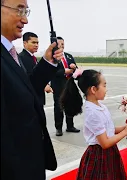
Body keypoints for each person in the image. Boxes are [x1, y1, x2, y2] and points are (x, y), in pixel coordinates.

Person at [1, 0, 64, 179]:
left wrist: (47, 62)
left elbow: (24, 89)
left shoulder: (10, 52)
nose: (25, 20)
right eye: (19, 11)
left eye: (26, 12)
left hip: (29, 159)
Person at [60, 69, 127, 180]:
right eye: (104, 85)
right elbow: (105, 143)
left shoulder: (100, 106)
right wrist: (126, 132)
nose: (106, 89)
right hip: (99, 156)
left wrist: (125, 128)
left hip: (109, 152)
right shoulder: (92, 112)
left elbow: (108, 129)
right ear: (93, 89)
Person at [51, 36, 80, 136]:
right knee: (58, 106)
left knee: (70, 104)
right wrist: (64, 71)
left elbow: (75, 70)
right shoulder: (52, 57)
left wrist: (74, 68)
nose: (62, 45)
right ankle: (58, 128)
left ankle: (70, 126)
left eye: (63, 44)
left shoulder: (69, 56)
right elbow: (52, 72)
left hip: (69, 85)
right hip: (58, 86)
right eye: (60, 44)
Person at [19, 32, 53, 106]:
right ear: (25, 43)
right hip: (31, 99)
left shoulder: (33, 58)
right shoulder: (21, 58)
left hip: (38, 98)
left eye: (37, 43)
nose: (36, 45)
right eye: (33, 42)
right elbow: (27, 78)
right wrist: (44, 86)